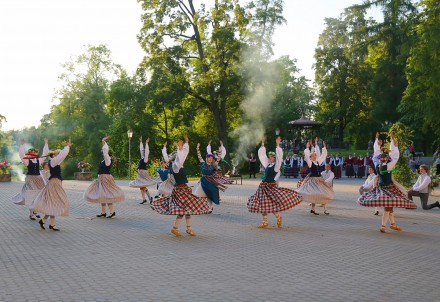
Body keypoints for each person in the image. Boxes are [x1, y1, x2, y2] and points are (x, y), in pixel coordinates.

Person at [150, 135, 211, 237]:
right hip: (180, 191)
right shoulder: (175, 166)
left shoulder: (179, 165)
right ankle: (175, 228)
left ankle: (188, 229)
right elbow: (179, 157)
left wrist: (186, 144)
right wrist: (180, 148)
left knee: (188, 210)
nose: (182, 156)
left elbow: (182, 156)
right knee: (183, 210)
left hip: (184, 190)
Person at [358, 135, 417, 233]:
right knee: (388, 207)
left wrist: (377, 143)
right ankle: (383, 226)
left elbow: (376, 155)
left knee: (390, 206)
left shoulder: (377, 165)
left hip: (381, 188)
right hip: (389, 189)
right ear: (386, 160)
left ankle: (393, 224)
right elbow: (395, 157)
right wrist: (394, 145)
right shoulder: (389, 166)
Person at [247, 136, 302, 228]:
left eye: (271, 157)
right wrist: (262, 144)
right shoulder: (267, 164)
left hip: (270, 187)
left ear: (275, 158)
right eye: (270, 157)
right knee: (262, 203)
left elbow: (280, 158)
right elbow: (262, 156)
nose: (269, 158)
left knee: (271, 205)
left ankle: (279, 218)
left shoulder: (276, 167)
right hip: (263, 186)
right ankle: (265, 222)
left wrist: (278, 145)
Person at [32, 139, 72, 231]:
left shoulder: (54, 161)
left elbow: (61, 156)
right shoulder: (54, 161)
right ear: (53, 155)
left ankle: (44, 221)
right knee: (53, 203)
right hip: (54, 183)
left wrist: (66, 148)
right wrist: (67, 147)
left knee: (52, 204)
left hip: (55, 183)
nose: (58, 155)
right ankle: (52, 224)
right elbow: (62, 155)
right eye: (56, 153)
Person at [84, 136, 125, 218]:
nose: (102, 153)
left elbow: (105, 151)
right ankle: (103, 212)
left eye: (104, 152)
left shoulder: (108, 160)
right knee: (102, 194)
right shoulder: (104, 160)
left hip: (105, 178)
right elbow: (105, 153)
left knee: (106, 195)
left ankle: (111, 211)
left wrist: (103, 142)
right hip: (102, 178)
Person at [12, 138, 49, 220]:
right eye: (31, 153)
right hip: (31, 179)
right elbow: (21, 155)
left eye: (34, 152)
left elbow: (45, 154)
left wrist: (46, 144)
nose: (33, 154)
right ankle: (31, 213)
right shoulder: (27, 161)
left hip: (38, 179)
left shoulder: (38, 160)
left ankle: (35, 211)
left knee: (38, 195)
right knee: (31, 195)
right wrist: (21, 145)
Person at [297, 137, 334, 215]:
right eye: (313, 156)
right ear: (311, 157)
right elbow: (307, 157)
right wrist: (307, 148)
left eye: (315, 155)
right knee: (314, 194)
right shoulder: (310, 163)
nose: (315, 156)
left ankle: (325, 209)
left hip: (319, 180)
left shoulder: (318, 162)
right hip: (313, 181)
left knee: (323, 193)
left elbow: (323, 156)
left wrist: (323, 147)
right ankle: (313, 209)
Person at [193, 141, 230, 212]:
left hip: (210, 181)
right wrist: (197, 148)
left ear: (212, 159)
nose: (210, 159)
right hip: (203, 180)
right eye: (209, 157)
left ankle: (210, 207)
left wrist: (220, 149)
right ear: (207, 158)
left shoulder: (214, 165)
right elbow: (199, 156)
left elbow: (219, 158)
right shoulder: (203, 163)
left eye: (211, 158)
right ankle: (201, 207)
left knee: (209, 195)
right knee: (197, 194)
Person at [129, 136, 158, 204]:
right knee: (140, 186)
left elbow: (146, 151)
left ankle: (149, 197)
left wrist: (146, 143)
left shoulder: (145, 159)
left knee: (142, 185)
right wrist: (141, 142)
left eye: (144, 152)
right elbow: (141, 150)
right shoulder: (143, 157)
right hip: (140, 172)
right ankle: (144, 199)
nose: (143, 152)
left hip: (143, 173)